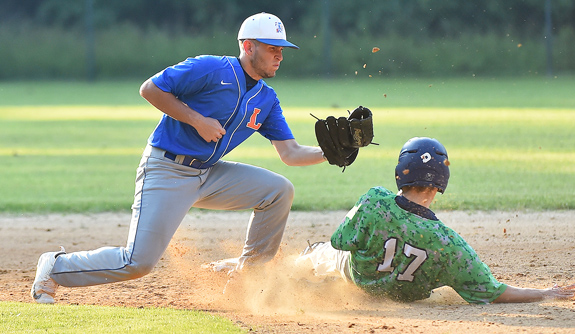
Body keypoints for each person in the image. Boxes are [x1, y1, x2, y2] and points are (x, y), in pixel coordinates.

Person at [31, 12, 328, 304]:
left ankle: (247, 278)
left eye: (281, 50)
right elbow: (150, 89)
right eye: (271, 48)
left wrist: (332, 153)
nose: (279, 56)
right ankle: (55, 267)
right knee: (137, 262)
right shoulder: (211, 68)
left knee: (278, 191)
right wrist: (197, 119)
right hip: (167, 169)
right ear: (248, 46)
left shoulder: (267, 98)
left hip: (208, 174)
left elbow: (290, 153)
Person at [295, 137, 575, 304]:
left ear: (400, 174)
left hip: (358, 277)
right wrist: (545, 293)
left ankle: (299, 264)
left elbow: (340, 240)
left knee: (328, 252)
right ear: (440, 184)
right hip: (403, 296)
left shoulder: (374, 200)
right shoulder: (449, 243)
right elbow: (495, 291)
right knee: (444, 279)